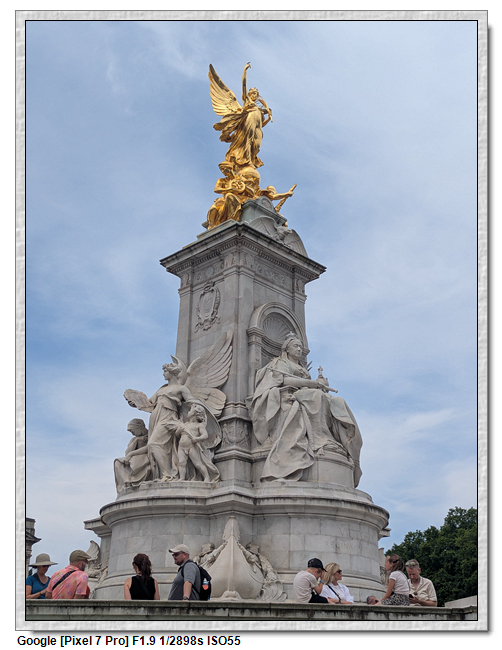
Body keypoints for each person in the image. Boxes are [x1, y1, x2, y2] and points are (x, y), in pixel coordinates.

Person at [251, 334, 363, 486]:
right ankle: (320, 439)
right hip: (291, 392)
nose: (299, 349)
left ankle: (338, 440)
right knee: (317, 397)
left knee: (338, 401)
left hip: (305, 392)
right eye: (295, 346)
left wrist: (319, 384)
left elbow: (310, 385)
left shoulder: (301, 368)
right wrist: (311, 384)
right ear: (287, 349)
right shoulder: (281, 362)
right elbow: (284, 380)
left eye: (300, 347)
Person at [114, 419, 150, 492]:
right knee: (117, 462)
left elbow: (150, 447)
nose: (133, 434)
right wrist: (136, 441)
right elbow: (127, 452)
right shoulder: (134, 439)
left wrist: (132, 453)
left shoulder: (151, 435)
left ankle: (133, 480)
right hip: (135, 457)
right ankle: (127, 482)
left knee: (136, 461)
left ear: (140, 427)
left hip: (146, 456)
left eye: (133, 431)